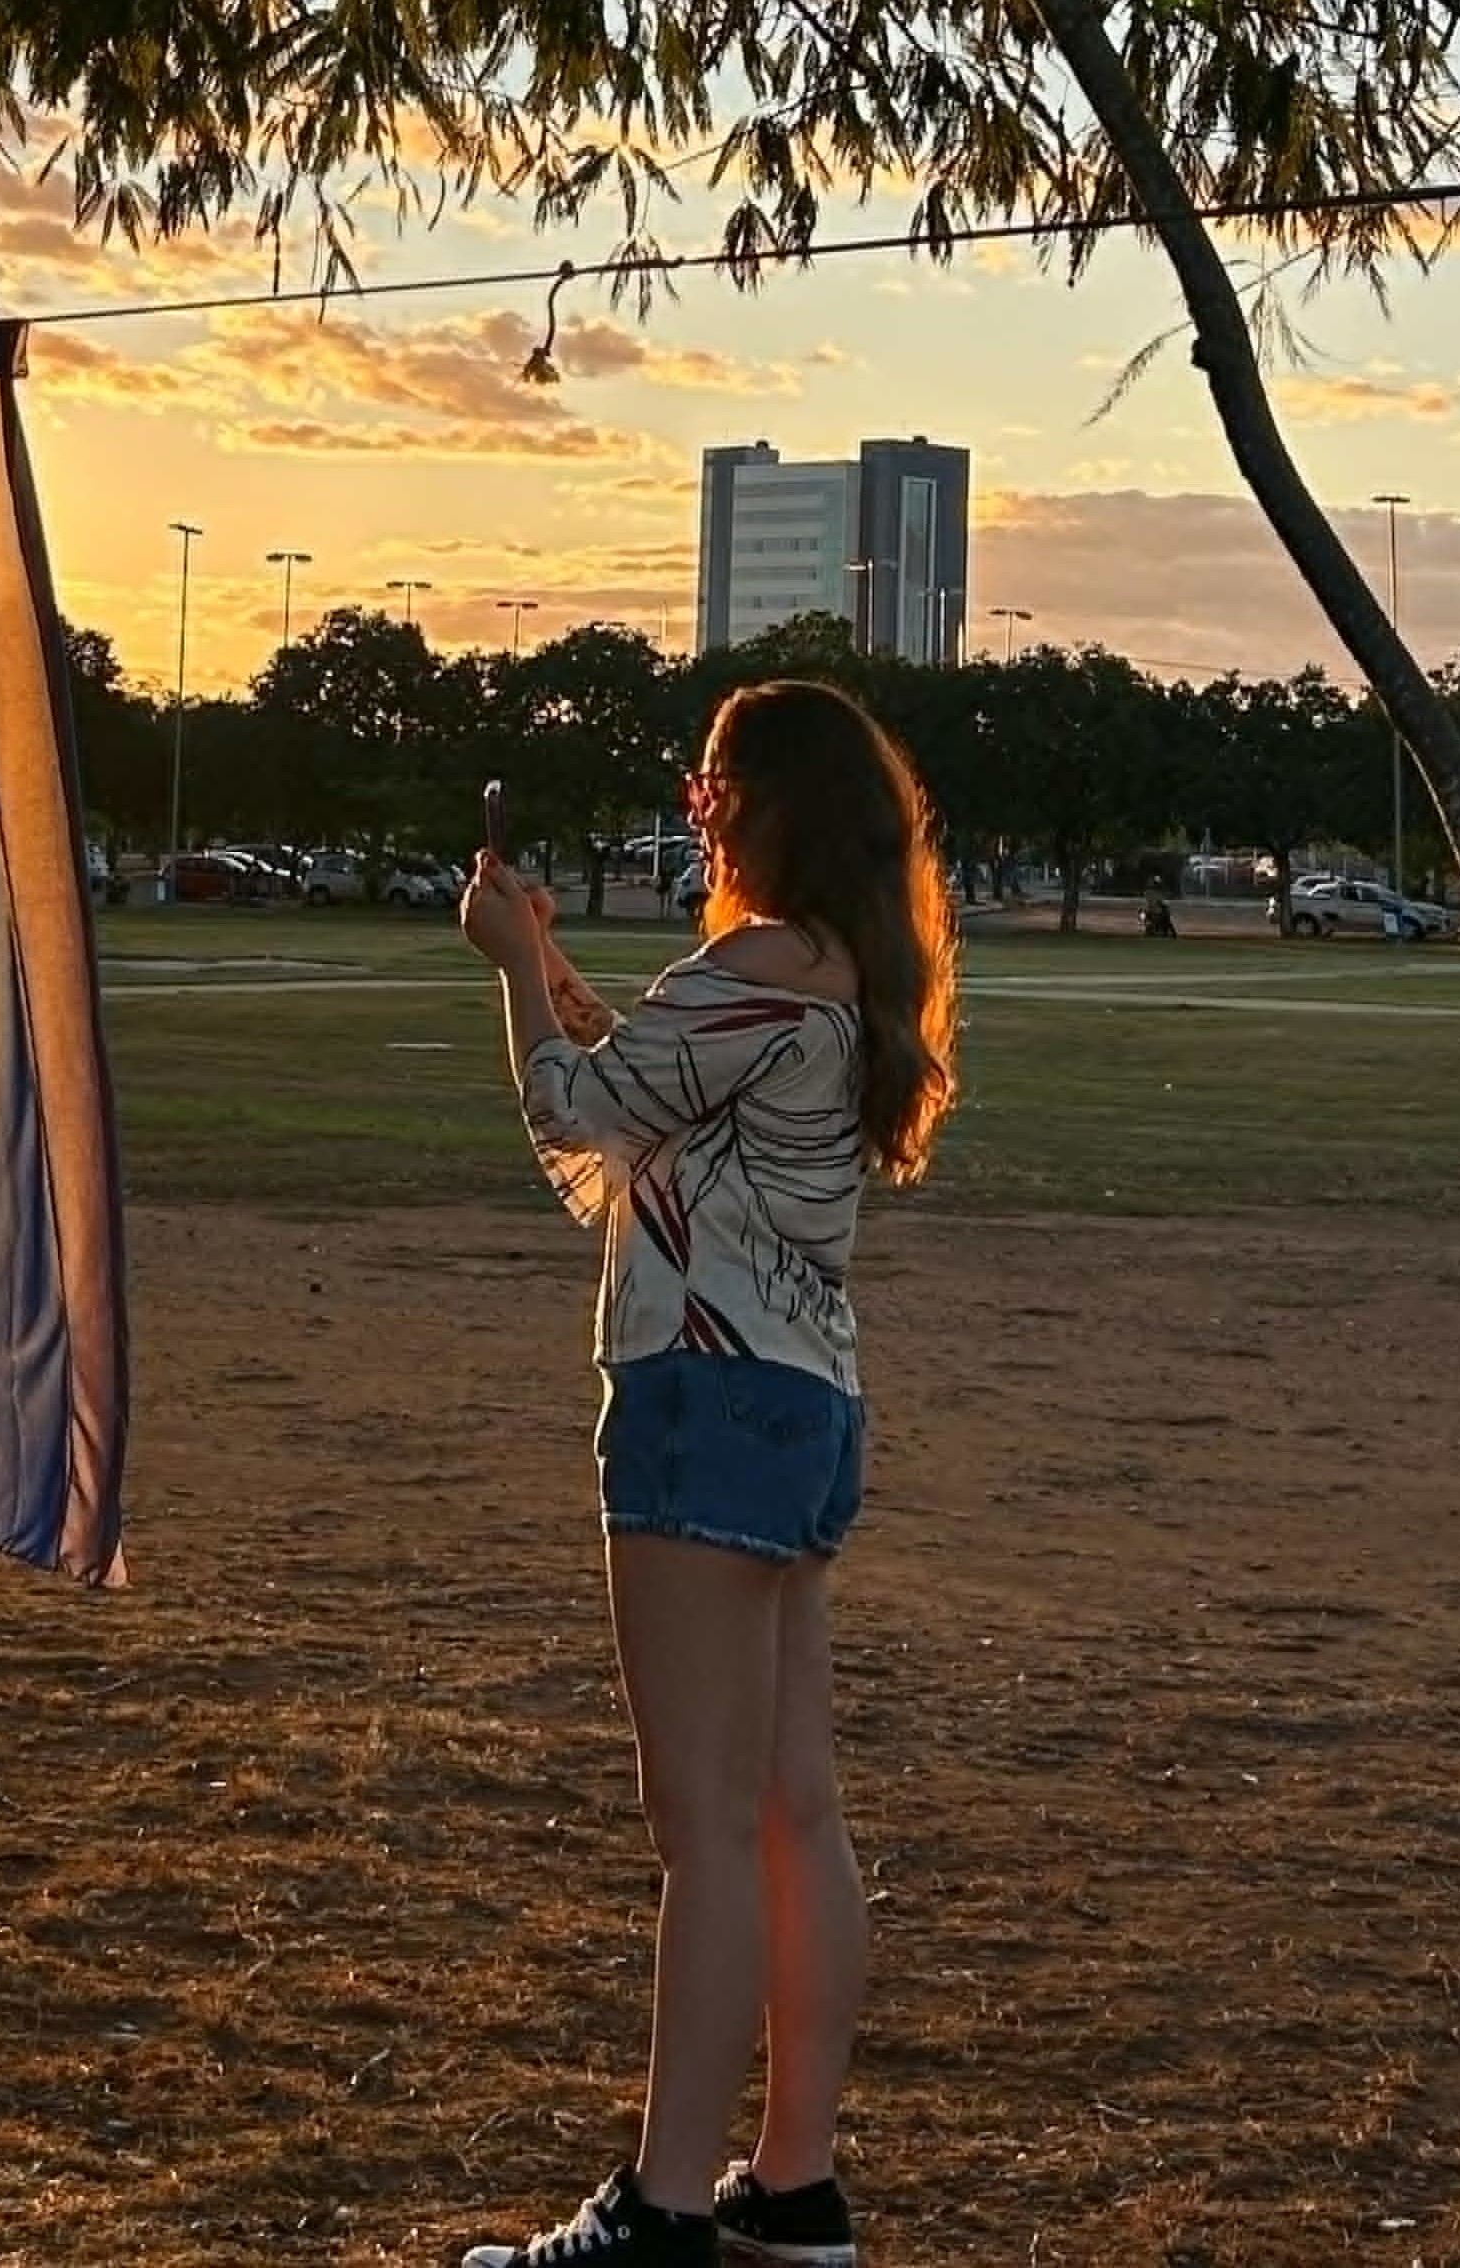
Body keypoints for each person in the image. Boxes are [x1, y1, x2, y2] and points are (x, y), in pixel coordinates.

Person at [455, 680, 961, 2268]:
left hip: (702, 1405)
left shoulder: (754, 968)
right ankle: (790, 2186)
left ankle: (664, 2212)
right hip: (804, 1407)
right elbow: (665, 1111)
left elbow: (571, 1110)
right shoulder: (836, 981)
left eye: (714, 784)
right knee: (793, 1812)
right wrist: (553, 963)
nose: (699, 808)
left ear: (768, 805)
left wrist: (507, 971)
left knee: (706, 1835)